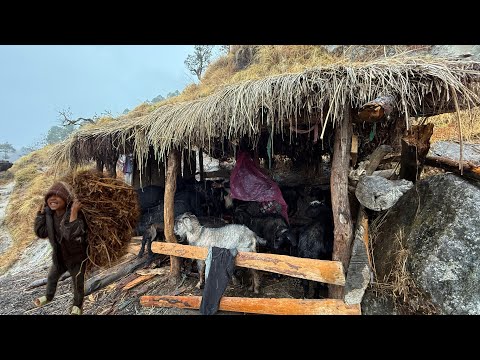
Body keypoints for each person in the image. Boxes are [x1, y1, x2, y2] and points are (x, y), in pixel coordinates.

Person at [33, 181, 88, 315]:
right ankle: (49, 296)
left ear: (66, 198)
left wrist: (74, 213)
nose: (52, 199)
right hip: (59, 256)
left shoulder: (75, 212)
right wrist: (40, 216)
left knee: (78, 283)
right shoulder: (49, 215)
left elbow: (71, 235)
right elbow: (41, 233)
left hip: (76, 256)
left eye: (57, 196)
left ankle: (77, 307)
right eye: (49, 196)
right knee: (52, 277)